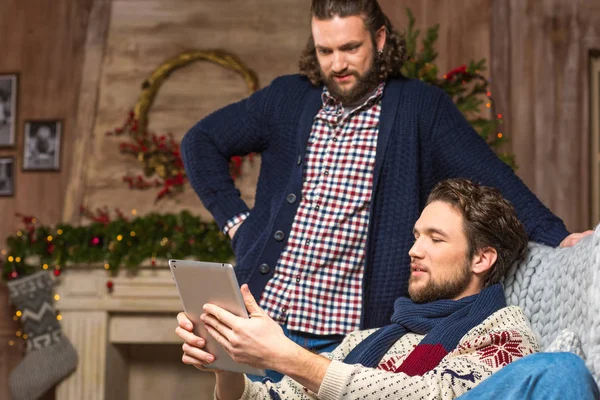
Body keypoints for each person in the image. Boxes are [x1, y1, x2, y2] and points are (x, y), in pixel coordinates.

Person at [180, 0, 593, 379]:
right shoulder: (288, 98)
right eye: (325, 51)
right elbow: (200, 142)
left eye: (349, 47)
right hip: (265, 321)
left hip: (345, 342)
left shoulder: (419, 108)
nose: (337, 63)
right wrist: (238, 224)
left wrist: (557, 235)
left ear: (378, 39)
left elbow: (491, 176)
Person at [176, 179, 598, 399]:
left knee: (561, 370)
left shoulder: (505, 330)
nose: (414, 249)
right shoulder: (368, 341)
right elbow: (269, 398)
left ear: (481, 259)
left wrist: (291, 357)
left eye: (435, 238)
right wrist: (225, 367)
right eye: (416, 235)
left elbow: (440, 396)